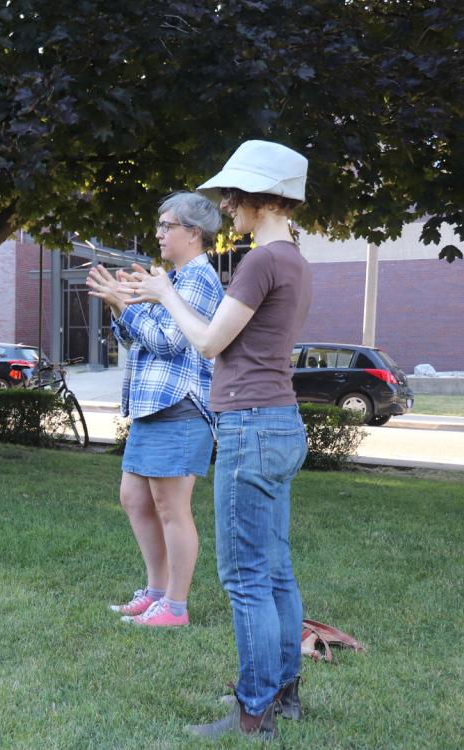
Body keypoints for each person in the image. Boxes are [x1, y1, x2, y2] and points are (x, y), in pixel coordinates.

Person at [121, 140, 312, 739]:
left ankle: (253, 709)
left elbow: (207, 343)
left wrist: (163, 293)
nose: (226, 207)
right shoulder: (295, 259)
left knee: (247, 578)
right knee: (276, 571)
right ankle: (284, 694)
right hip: (281, 422)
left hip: (251, 426)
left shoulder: (259, 262)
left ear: (259, 196)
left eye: (232, 196)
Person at [86, 192, 224, 628]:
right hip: (152, 407)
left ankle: (175, 607)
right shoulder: (174, 279)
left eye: (168, 226)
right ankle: (156, 592)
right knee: (134, 498)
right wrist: (120, 303)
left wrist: (124, 304)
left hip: (179, 406)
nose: (159, 233)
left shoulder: (199, 279)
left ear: (194, 233)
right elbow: (136, 339)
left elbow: (169, 342)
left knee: (171, 507)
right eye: (159, 225)